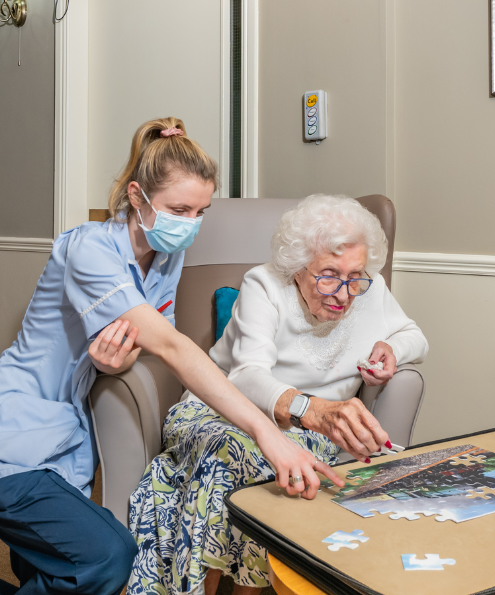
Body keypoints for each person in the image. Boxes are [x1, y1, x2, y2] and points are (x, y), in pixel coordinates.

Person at [0, 120, 341, 595]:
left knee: (49, 569)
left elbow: (139, 347)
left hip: (66, 438)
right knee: (104, 558)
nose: (191, 224)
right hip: (15, 428)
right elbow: (174, 347)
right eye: (179, 209)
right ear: (137, 196)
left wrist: (110, 366)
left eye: (201, 211)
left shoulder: (164, 256)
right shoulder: (89, 249)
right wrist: (266, 430)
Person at [128, 195, 428, 595]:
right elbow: (248, 376)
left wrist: (392, 350)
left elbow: (415, 337)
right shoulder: (264, 284)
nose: (343, 293)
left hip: (308, 437)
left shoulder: (369, 290)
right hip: (218, 412)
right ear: (297, 267)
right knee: (233, 453)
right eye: (328, 275)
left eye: (354, 275)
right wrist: (312, 409)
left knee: (263, 470)